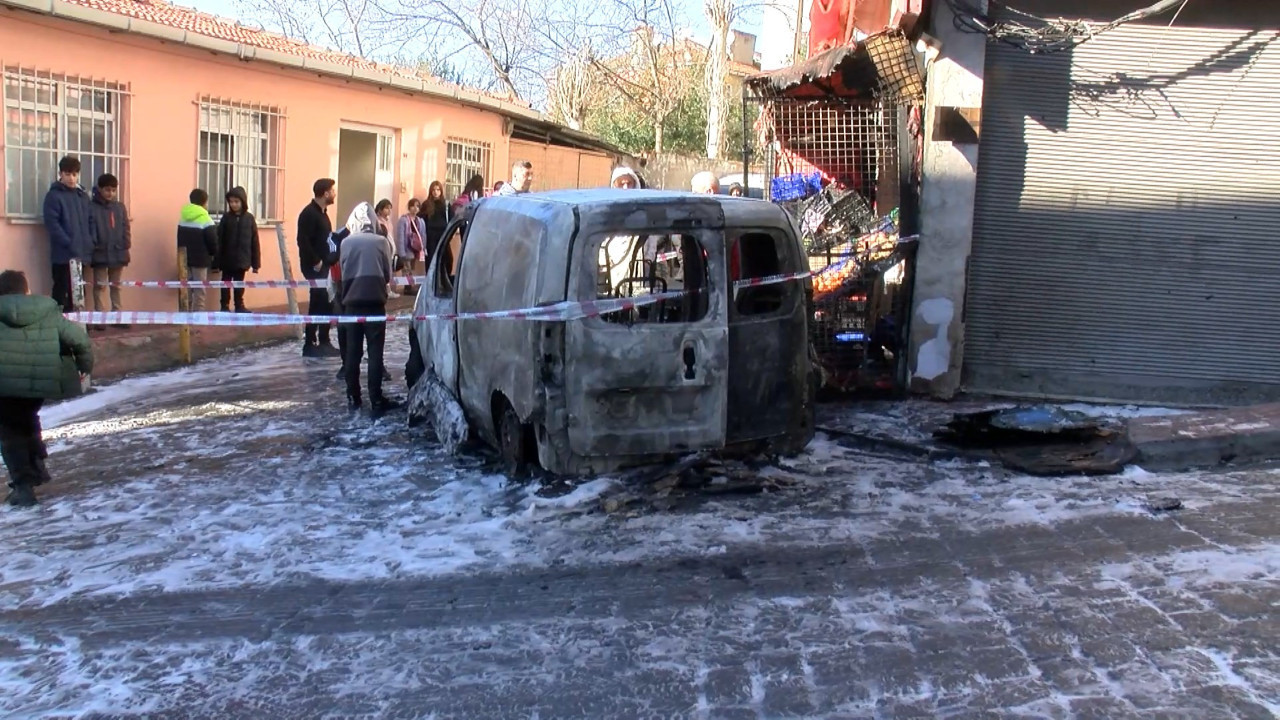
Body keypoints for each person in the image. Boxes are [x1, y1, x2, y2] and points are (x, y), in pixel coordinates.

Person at [0, 270, 93, 507]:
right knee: (26, 417)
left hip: (5, 384)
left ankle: (23, 486)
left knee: (10, 431)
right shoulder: (47, 310)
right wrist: (84, 366)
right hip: (40, 382)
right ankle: (37, 465)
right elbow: (79, 340)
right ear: (26, 289)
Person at [339, 204, 401, 419]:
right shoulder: (382, 242)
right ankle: (375, 398)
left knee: (352, 353)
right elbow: (387, 273)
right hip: (375, 303)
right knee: (375, 353)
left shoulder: (346, 243)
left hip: (352, 304)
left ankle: (353, 396)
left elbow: (343, 271)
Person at [42, 155, 93, 313]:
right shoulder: (54, 196)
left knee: (78, 293)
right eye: (68, 174)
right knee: (61, 291)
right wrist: (68, 242)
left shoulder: (82, 196)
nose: (72, 178)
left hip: (81, 253)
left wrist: (91, 241)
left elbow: (91, 220)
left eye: (75, 174)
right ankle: (58, 325)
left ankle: (77, 326)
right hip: (63, 255)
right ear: (60, 174)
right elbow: (52, 224)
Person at [298, 178, 341, 358]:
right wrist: (317, 262)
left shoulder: (323, 213)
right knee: (318, 304)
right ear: (325, 193)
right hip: (315, 267)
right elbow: (303, 241)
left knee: (325, 303)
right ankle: (311, 343)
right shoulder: (309, 214)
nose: (334, 193)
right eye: (332, 190)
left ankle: (323, 340)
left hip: (326, 266)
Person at [87, 173, 131, 329]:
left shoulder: (119, 207)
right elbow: (90, 228)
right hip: (100, 252)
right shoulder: (92, 207)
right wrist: (94, 244)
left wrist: (126, 243)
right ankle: (100, 317)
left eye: (113, 190)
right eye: (107, 190)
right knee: (100, 285)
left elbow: (126, 226)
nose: (110, 193)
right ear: (100, 189)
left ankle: (117, 315)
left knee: (116, 285)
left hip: (118, 252)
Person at [216, 186, 261, 313]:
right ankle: (224, 306)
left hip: (242, 259)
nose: (233, 204)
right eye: (231, 202)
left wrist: (256, 263)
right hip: (227, 259)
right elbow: (219, 240)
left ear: (243, 202)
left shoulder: (249, 219)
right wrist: (217, 261)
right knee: (225, 284)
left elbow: (254, 241)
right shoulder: (226, 218)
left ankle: (239, 305)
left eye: (236, 201)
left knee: (239, 284)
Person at [177, 189, 219, 312]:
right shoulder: (206, 219)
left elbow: (179, 239)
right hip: (200, 260)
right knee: (200, 290)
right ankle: (198, 319)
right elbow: (213, 242)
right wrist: (213, 254)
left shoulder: (183, 218)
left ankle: (185, 319)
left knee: (186, 289)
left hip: (184, 260)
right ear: (204, 202)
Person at [397, 198, 426, 291]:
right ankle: (407, 287)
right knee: (407, 268)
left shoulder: (420, 221)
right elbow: (400, 236)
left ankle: (411, 285)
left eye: (417, 206)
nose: (415, 208)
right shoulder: (404, 220)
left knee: (412, 268)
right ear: (409, 207)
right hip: (407, 248)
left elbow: (423, 235)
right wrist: (401, 252)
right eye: (413, 206)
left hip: (416, 249)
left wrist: (423, 248)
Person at [419, 181, 450, 264]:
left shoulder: (446, 204)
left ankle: (442, 276)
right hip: (430, 235)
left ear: (441, 191)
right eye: (433, 190)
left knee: (446, 258)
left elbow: (451, 218)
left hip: (443, 233)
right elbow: (421, 218)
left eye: (438, 190)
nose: (435, 192)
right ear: (430, 191)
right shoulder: (426, 204)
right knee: (431, 257)